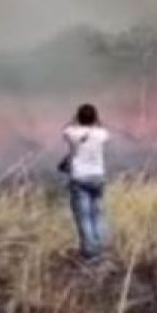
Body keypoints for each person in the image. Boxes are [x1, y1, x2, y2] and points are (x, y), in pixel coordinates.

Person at [61, 103, 114, 262]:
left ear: (78, 117)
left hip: (79, 178)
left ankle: (91, 253)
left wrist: (74, 120)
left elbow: (66, 128)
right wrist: (98, 122)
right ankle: (102, 246)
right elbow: (104, 130)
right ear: (95, 118)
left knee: (84, 216)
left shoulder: (72, 133)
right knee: (98, 214)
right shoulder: (101, 134)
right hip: (98, 176)